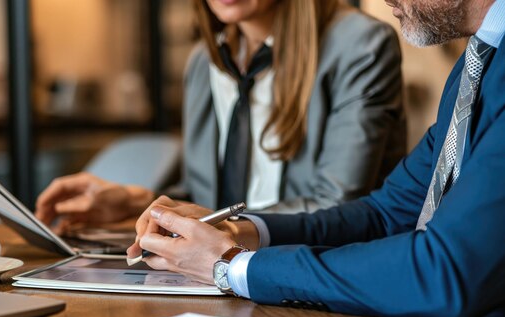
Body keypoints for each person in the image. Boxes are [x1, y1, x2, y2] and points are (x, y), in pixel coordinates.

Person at [130, 0, 505, 317]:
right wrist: (240, 231)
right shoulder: (479, 62)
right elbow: (385, 215)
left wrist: (233, 266)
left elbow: (443, 272)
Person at [35, 0, 405, 231]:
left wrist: (219, 226)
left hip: (314, 267)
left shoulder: (360, 44)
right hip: (216, 268)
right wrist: (133, 204)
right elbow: (212, 197)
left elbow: (338, 207)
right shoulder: (203, 61)